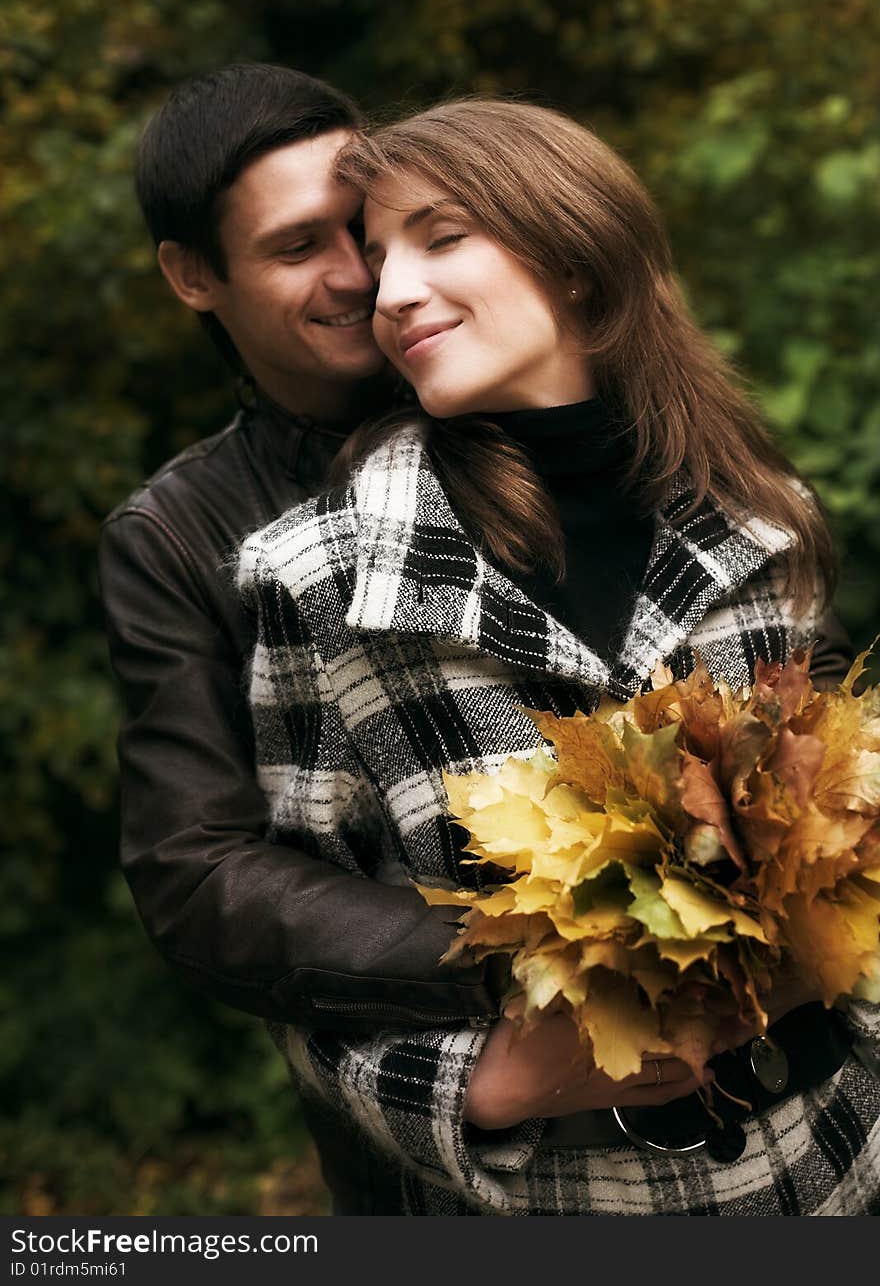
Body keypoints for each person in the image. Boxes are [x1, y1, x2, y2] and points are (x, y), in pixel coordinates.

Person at [238, 98, 880, 1215]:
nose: (388, 295)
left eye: (440, 238)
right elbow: (295, 957)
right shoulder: (319, 581)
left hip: (837, 1170)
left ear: (576, 258)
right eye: (380, 261)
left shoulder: (765, 530)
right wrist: (477, 1090)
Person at [98, 65, 508, 1210]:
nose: (357, 277)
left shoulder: (518, 390)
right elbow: (198, 875)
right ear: (194, 277)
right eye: (294, 248)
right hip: (435, 1141)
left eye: (361, 228)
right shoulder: (174, 536)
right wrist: (516, 954)